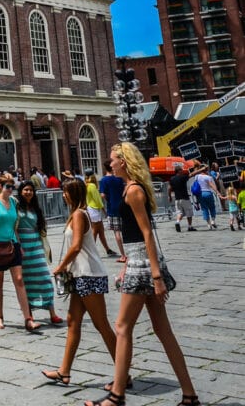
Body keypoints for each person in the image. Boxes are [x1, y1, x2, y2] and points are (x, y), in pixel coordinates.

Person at [85, 143, 201, 406]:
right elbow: (135, 235)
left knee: (122, 327)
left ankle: (117, 395)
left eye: (113, 159)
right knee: (162, 330)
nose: (109, 164)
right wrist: (127, 265)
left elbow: (147, 232)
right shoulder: (129, 187)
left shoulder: (134, 190)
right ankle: (189, 394)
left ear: (123, 162)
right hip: (139, 261)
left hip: (144, 264)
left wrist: (157, 277)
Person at [43, 178, 117, 388]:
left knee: (101, 324)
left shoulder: (78, 214)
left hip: (88, 275)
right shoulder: (77, 214)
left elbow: (76, 246)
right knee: (73, 321)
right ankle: (64, 372)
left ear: (74, 193)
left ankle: (124, 375)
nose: (63, 195)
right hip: (80, 275)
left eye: (66, 192)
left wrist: (61, 266)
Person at [0, 172, 42, 332]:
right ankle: (0, 316)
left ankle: (28, 319)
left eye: (12, 187)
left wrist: (19, 243)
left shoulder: (13, 202)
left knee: (19, 280)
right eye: (8, 187)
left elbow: (15, 225)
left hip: (12, 244)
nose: (10, 190)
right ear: (0, 187)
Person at [16, 181, 62, 324]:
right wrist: (18, 246)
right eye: (25, 190)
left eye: (30, 190)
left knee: (45, 279)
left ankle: (52, 312)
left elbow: (41, 228)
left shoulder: (36, 208)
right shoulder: (16, 207)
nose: (28, 192)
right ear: (20, 191)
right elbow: (14, 228)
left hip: (36, 246)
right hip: (23, 246)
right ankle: (29, 315)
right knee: (27, 281)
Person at [85, 171, 116, 256]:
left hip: (92, 209)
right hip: (94, 209)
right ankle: (92, 251)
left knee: (100, 231)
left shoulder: (87, 185)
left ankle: (107, 249)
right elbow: (97, 200)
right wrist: (104, 210)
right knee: (95, 231)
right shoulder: (92, 186)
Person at [99, 162, 127, 259]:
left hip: (112, 207)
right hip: (123, 206)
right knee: (125, 230)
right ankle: (129, 251)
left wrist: (107, 199)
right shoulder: (119, 178)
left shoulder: (104, 180)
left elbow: (102, 195)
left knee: (117, 232)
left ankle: (123, 255)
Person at [191, 163, 223, 229]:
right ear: (206, 170)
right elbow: (211, 185)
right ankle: (213, 221)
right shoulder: (208, 177)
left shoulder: (197, 176)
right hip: (208, 193)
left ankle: (208, 224)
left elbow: (193, 174)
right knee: (212, 207)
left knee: (204, 208)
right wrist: (218, 193)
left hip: (200, 194)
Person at [167, 163, 196, 233]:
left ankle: (177, 222)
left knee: (179, 213)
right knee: (189, 212)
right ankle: (190, 226)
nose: (182, 170)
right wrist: (200, 170)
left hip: (177, 199)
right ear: (179, 171)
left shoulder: (172, 179)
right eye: (181, 169)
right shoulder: (183, 177)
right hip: (185, 198)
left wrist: (169, 196)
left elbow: (169, 188)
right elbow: (191, 174)